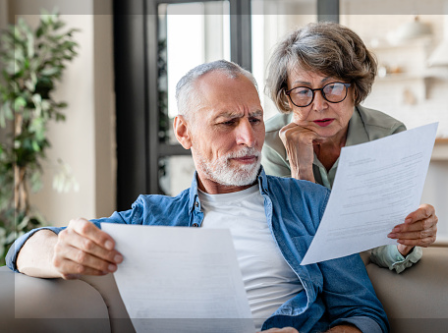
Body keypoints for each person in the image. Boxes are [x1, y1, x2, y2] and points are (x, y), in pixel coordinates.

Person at [7, 60, 389, 333]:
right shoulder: (153, 218)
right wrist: (58, 253)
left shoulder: (309, 203)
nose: (249, 138)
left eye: (255, 119)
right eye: (227, 122)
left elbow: (363, 313)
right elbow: (23, 247)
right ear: (184, 131)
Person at [262, 22, 438, 274]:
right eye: (302, 91)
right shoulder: (271, 143)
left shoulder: (387, 137)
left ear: (355, 90)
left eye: (332, 87)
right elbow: (294, 246)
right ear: (287, 98)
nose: (319, 105)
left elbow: (380, 245)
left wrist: (404, 243)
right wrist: (301, 171)